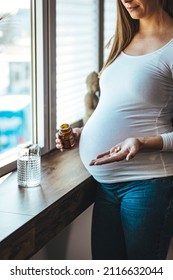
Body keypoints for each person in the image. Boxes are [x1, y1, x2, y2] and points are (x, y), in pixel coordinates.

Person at [56, 0, 173, 260]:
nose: (126, 1)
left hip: (147, 184)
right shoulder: (122, 41)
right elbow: (118, 105)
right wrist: (82, 133)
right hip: (106, 186)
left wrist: (142, 142)